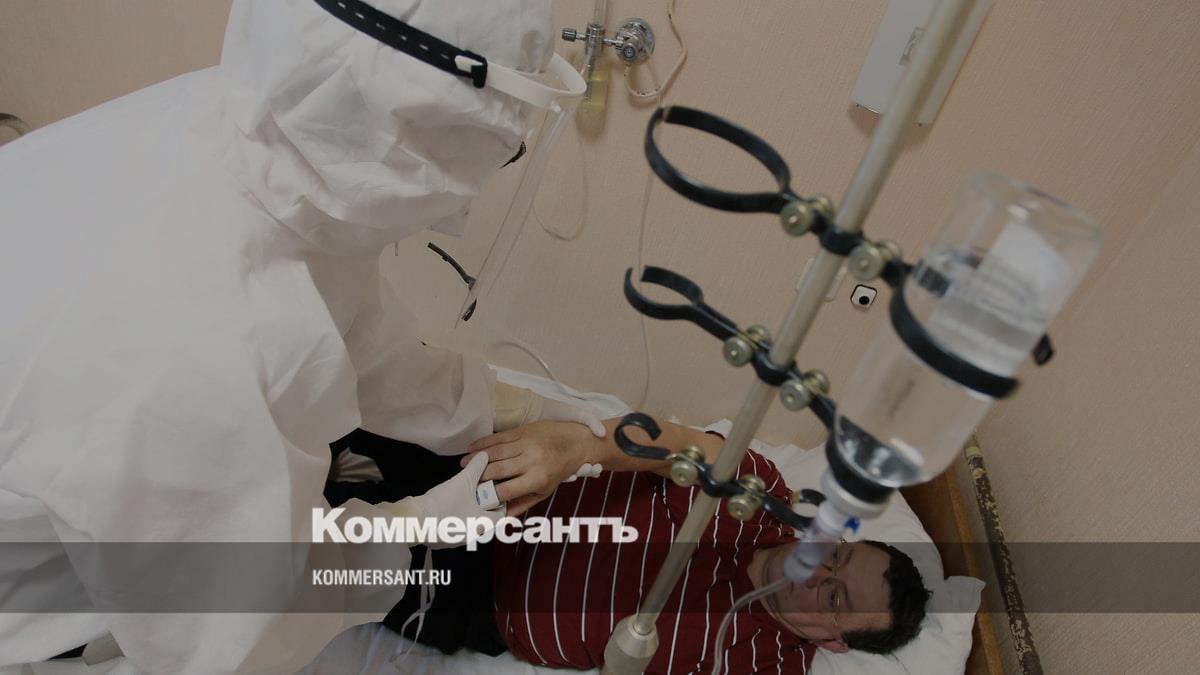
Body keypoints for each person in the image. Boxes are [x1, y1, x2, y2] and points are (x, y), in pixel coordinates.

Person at [0, 1, 598, 672]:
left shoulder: (266, 128)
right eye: (496, 141)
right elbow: (250, 631)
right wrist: (420, 525)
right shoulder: (200, 351)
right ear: (426, 128)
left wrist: (526, 410)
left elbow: (354, 328)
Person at [321, 418, 930, 673]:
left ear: (834, 642)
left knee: (318, 562)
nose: (816, 569)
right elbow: (675, 445)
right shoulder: (759, 494)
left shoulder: (760, 664)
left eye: (833, 597)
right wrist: (582, 446)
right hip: (506, 495)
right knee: (324, 447)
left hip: (477, 600)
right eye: (837, 556)